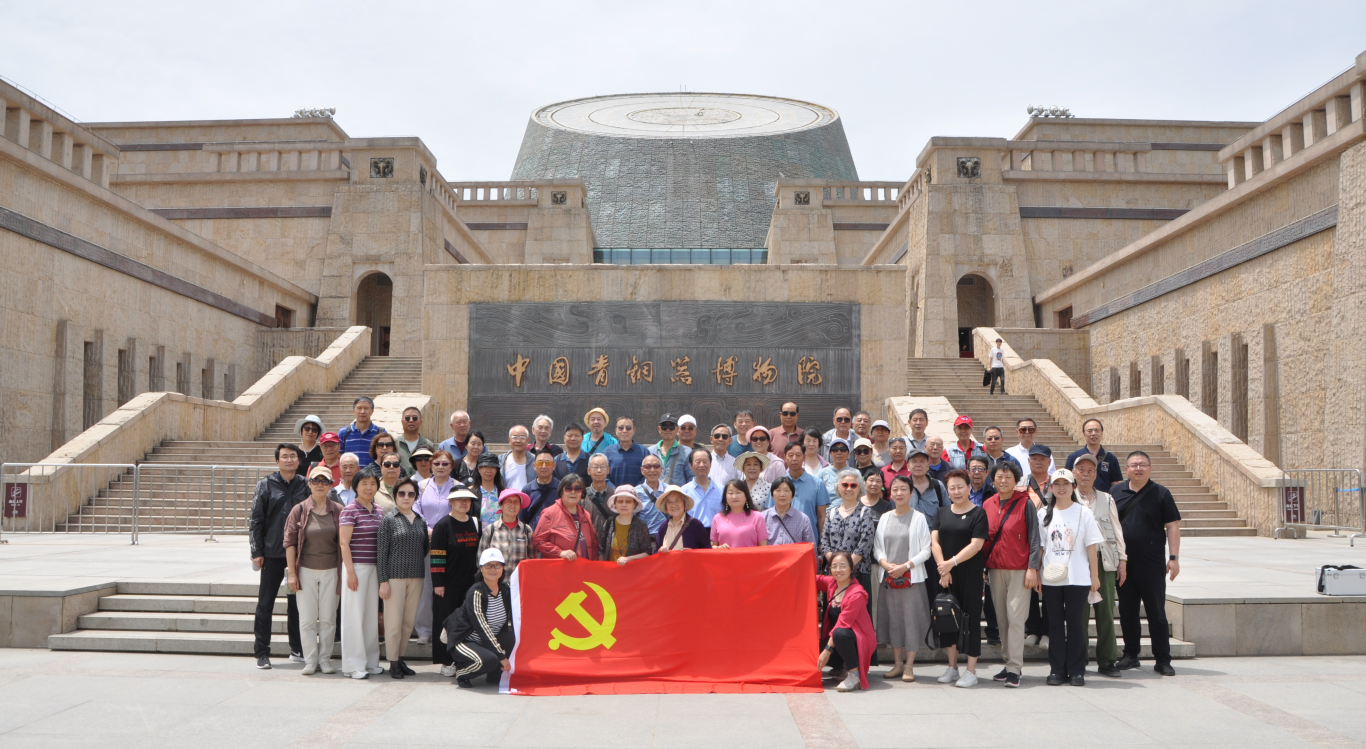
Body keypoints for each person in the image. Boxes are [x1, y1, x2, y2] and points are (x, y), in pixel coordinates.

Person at [1112, 450, 1181, 677]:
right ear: (1127, 469)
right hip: (1123, 564)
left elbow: (1172, 526)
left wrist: (1173, 558)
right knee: (1127, 610)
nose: (1138, 468)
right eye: (1134, 465)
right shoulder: (1115, 492)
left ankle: (1163, 659)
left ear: (1150, 468)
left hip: (1152, 564)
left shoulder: (1161, 493)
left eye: (1143, 464)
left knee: (1156, 612)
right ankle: (1130, 654)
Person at [1038, 469, 1102, 687]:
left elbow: (1091, 546)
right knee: (1055, 625)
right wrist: (1036, 573)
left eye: (1066, 483)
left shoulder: (1083, 512)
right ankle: (1057, 670)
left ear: (1073, 487)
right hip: (1051, 578)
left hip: (1078, 577)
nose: (1061, 488)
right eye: (1057, 484)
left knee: (1075, 624)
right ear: (1051, 488)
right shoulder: (1043, 514)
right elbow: (1041, 547)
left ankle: (1076, 671)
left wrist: (1094, 576)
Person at [983, 460, 1041, 688]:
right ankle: (1008, 663)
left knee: (1016, 618)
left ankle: (1015, 667)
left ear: (1016, 480)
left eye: (1008, 477)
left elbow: (1035, 539)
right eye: (999, 476)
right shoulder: (987, 504)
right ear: (993, 479)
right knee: (1002, 619)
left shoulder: (1025, 503)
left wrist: (1032, 568)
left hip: (1019, 569)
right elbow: (984, 539)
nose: (1003, 480)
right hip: (995, 568)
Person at [249, 444, 308, 669]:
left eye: (293, 456)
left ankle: (297, 648)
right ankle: (262, 652)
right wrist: (257, 551)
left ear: (298, 461)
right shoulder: (265, 484)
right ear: (277, 461)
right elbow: (256, 519)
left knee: (296, 603)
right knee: (266, 603)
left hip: (299, 554)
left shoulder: (306, 484)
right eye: (285, 456)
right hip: (272, 553)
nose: (289, 460)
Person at [931, 469, 989, 688]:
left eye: (960, 487)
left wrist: (950, 563)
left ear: (968, 488)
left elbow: (976, 545)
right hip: (946, 575)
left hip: (970, 575)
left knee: (970, 619)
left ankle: (971, 671)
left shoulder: (979, 514)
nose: (956, 491)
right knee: (948, 618)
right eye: (952, 488)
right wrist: (943, 569)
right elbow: (935, 542)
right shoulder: (942, 512)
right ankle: (952, 667)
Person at [284, 463, 344, 675]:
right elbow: (289, 543)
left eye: (324, 481)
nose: (320, 484)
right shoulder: (299, 510)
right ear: (309, 484)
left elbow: (345, 542)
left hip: (331, 571)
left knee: (328, 618)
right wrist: (292, 574)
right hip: (305, 571)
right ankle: (310, 660)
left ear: (331, 484)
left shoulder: (338, 510)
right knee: (307, 618)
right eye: (315, 480)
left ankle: (325, 659)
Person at [873, 475, 933, 683]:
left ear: (911, 493)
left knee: (911, 621)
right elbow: (877, 547)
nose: (899, 493)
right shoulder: (884, 517)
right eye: (895, 489)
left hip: (911, 579)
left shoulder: (919, 518)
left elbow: (926, 550)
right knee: (893, 621)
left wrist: (905, 566)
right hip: (889, 579)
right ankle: (897, 664)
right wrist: (885, 563)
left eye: (903, 489)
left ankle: (909, 665)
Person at [1072, 452, 1127, 678]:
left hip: (1105, 562)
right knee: (1079, 615)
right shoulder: (1067, 497)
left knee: (1105, 613)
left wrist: (1122, 560)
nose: (1085, 474)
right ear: (1074, 473)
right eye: (1081, 470)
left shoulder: (1107, 498)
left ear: (1096, 474)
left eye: (1090, 470)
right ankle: (1078, 661)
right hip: (1077, 564)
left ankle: (1107, 661)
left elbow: (1117, 529)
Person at [377, 477, 428, 679]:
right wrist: (383, 581)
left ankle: (400, 658)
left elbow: (424, 548)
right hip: (394, 578)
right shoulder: (389, 519)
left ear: (415, 497)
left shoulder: (420, 520)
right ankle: (392, 662)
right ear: (395, 495)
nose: (406, 497)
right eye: (402, 493)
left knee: (408, 623)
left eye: (411, 494)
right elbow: (381, 553)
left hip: (416, 577)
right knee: (393, 623)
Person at [445, 547, 515, 688]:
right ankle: (461, 672)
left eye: (497, 565)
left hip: (488, 640)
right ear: (481, 568)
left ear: (502, 568)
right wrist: (501, 656)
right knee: (489, 660)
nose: (493, 569)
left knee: (513, 638)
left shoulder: (505, 590)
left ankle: (494, 675)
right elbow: (482, 627)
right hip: (466, 640)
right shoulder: (476, 592)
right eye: (488, 565)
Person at [339, 470, 386, 679]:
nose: (369, 487)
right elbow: (344, 543)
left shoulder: (379, 510)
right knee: (354, 616)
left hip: (375, 568)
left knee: (370, 616)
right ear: (356, 486)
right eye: (364, 483)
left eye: (373, 483)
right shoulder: (349, 510)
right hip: (356, 567)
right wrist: (350, 572)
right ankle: (352, 665)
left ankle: (370, 661)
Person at [430, 487, 481, 677]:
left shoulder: (475, 523)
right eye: (459, 499)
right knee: (445, 622)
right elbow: (436, 557)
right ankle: (446, 662)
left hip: (470, 584)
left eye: (467, 499)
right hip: (448, 584)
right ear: (450, 502)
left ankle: (464, 659)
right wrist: (438, 583)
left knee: (466, 623)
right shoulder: (443, 525)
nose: (464, 502)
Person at [412, 449, 459, 645]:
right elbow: (416, 510)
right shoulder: (421, 486)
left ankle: (447, 629)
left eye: (445, 463)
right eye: (437, 463)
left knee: (447, 587)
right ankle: (424, 630)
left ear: (452, 466)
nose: (440, 467)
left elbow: (460, 511)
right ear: (431, 465)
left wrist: (442, 531)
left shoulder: (458, 487)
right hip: (427, 541)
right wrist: (428, 529)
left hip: (450, 543)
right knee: (426, 587)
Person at [817, 550, 875, 693]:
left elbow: (842, 624)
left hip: (859, 639)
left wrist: (827, 651)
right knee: (815, 648)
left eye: (843, 566)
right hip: (840, 638)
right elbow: (813, 579)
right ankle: (842, 666)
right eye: (834, 566)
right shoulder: (833, 583)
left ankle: (854, 675)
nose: (838, 570)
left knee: (839, 633)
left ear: (851, 568)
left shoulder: (856, 594)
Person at [822, 469, 876, 602]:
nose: (849, 489)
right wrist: (837, 567)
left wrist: (846, 567)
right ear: (838, 488)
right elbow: (824, 542)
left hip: (858, 572)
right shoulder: (831, 513)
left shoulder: (865, 512)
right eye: (845, 485)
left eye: (853, 485)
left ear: (859, 489)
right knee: (834, 611)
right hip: (834, 574)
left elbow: (866, 542)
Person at [531, 474, 599, 560]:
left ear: (582, 493)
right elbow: (538, 540)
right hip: (560, 567)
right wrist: (559, 552)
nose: (573, 492)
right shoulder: (549, 513)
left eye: (577, 488)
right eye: (568, 488)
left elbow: (593, 544)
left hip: (584, 566)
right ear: (561, 491)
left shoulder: (586, 514)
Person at [477, 488, 534, 577]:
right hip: (496, 582)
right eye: (509, 501)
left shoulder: (527, 530)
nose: (512, 505)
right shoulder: (491, 530)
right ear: (501, 505)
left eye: (516, 502)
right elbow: (481, 559)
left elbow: (532, 559)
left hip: (520, 581)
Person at [781, 440, 829, 536]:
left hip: (809, 538)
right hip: (784, 540)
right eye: (790, 455)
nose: (794, 458)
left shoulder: (818, 484)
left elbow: (821, 516)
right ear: (785, 457)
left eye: (798, 455)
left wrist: (822, 541)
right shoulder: (778, 485)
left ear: (804, 457)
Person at [599, 485, 656, 562]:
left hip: (633, 569)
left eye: (628, 501)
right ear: (615, 503)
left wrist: (629, 559)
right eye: (620, 501)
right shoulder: (609, 522)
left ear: (634, 504)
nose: (624, 505)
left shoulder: (640, 525)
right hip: (610, 568)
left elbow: (647, 553)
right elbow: (601, 550)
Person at [1065, 418, 1123, 493]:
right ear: (1084, 434)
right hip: (1079, 498)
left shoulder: (1111, 458)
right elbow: (1068, 480)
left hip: (1104, 498)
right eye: (1089, 431)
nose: (1093, 433)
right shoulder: (1074, 457)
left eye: (1097, 430)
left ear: (1102, 433)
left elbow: (1115, 483)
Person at [711, 480, 767, 548]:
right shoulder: (717, 518)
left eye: (738, 492)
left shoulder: (757, 517)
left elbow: (763, 547)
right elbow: (713, 546)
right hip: (725, 555)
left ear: (746, 496)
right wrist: (718, 548)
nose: (734, 496)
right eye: (730, 493)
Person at [654, 485, 710, 551]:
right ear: (665, 506)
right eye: (669, 502)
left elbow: (708, 550)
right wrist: (660, 551)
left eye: (677, 500)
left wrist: (693, 553)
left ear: (684, 503)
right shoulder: (663, 526)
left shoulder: (695, 525)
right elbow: (656, 551)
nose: (673, 505)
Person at [764, 476, 815, 546]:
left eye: (786, 490)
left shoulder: (803, 519)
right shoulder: (763, 517)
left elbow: (810, 546)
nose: (782, 494)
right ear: (772, 495)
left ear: (792, 495)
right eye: (778, 490)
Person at [339, 397, 386, 469]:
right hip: (351, 474)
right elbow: (339, 456)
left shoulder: (380, 433)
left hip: (373, 474)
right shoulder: (344, 432)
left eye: (366, 408)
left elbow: (385, 456)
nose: (362, 411)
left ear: (372, 411)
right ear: (354, 411)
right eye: (359, 408)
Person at [522, 449, 562, 529]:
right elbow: (522, 519)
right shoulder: (527, 490)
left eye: (548, 463)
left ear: (554, 466)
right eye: (540, 463)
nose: (544, 466)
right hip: (533, 535)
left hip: (556, 535)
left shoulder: (562, 488)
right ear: (534, 466)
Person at [650, 413, 694, 486]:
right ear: (659, 429)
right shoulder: (650, 451)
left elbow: (691, 478)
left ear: (677, 429)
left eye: (671, 426)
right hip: (656, 493)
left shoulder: (687, 452)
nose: (668, 430)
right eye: (664, 426)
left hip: (678, 492)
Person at [683, 448, 723, 527]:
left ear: (710, 464)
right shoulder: (684, 491)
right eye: (697, 462)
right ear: (690, 465)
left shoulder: (722, 489)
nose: (701, 465)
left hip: (715, 532)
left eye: (705, 461)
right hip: (692, 531)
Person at [603, 417, 648, 486]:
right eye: (621, 428)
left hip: (638, 492)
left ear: (634, 431)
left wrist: (636, 490)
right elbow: (604, 476)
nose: (624, 431)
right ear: (616, 430)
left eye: (628, 428)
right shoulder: (607, 452)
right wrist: (615, 490)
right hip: (613, 492)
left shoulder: (643, 451)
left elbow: (648, 474)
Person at [632, 454, 670, 535]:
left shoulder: (669, 491)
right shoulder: (635, 493)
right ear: (642, 470)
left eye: (656, 466)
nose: (652, 470)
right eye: (648, 466)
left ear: (661, 469)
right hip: (644, 539)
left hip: (667, 539)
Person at [396, 407, 437, 473]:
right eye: (407, 418)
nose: (411, 420)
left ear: (420, 422)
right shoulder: (395, 444)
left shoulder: (429, 444)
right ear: (402, 422)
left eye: (415, 418)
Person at [469, 452, 504, 525]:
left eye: (492, 467)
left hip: (500, 531)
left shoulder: (503, 493)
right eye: (485, 466)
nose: (489, 470)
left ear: (497, 470)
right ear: (479, 469)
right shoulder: (471, 493)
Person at [500, 425, 533, 492]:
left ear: (527, 440)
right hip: (508, 498)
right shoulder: (500, 461)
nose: (518, 441)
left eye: (522, 437)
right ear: (509, 439)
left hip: (529, 498)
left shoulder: (535, 460)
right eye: (514, 437)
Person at [819, 438, 852, 504]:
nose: (839, 452)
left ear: (848, 453)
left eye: (843, 449)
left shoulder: (855, 473)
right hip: (828, 509)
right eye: (835, 450)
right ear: (830, 453)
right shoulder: (822, 473)